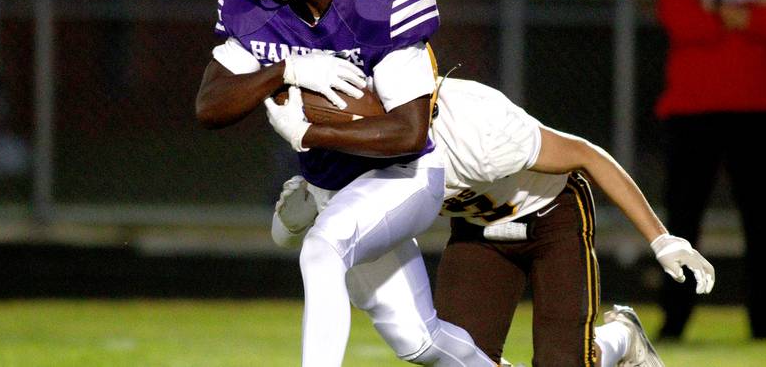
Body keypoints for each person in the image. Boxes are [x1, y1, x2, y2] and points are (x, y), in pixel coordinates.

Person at [195, 0, 494, 367]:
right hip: (336, 187)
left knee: (321, 248)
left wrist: (310, 134)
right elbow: (211, 107)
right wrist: (284, 70)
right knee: (419, 341)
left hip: (404, 177)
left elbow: (408, 131)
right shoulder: (255, 6)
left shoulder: (381, 0)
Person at [273, 76, 715, 367]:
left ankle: (621, 336)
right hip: (477, 233)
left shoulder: (478, 126)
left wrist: (662, 239)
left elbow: (586, 154)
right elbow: (300, 225)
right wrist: (307, 205)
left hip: (552, 216)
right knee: (462, 359)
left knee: (563, 364)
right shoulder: (361, 145)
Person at [655, 0, 766, 340]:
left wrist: (719, 12)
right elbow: (680, 20)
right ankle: (674, 321)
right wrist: (754, 10)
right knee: (682, 221)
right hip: (692, 111)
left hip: (758, 108)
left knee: (760, 223)